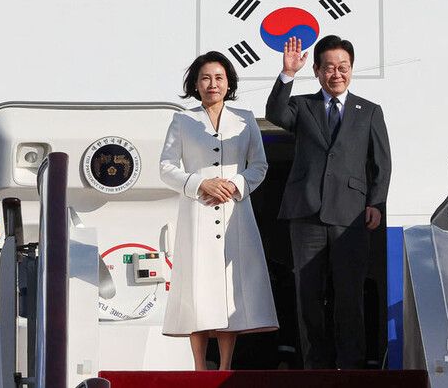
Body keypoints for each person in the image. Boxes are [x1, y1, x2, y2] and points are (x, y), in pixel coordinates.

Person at [265, 35, 391, 369]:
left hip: (351, 215)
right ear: (318, 70)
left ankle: (351, 365)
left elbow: (382, 163)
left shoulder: (369, 111)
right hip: (306, 212)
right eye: (330, 67)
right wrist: (288, 73)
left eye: (343, 67)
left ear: (351, 69)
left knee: (349, 293)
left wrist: (376, 203)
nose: (337, 74)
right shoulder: (302, 106)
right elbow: (274, 113)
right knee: (308, 294)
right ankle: (315, 368)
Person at [160, 51, 278, 370]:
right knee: (196, 288)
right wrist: (200, 183)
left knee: (229, 289)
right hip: (197, 212)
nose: (212, 84)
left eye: (219, 78)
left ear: (229, 83)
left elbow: (259, 165)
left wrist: (235, 185)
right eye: (206, 78)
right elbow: (166, 167)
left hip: (234, 214)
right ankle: (199, 367)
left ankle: (225, 366)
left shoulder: (245, 119)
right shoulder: (182, 120)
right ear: (196, 84)